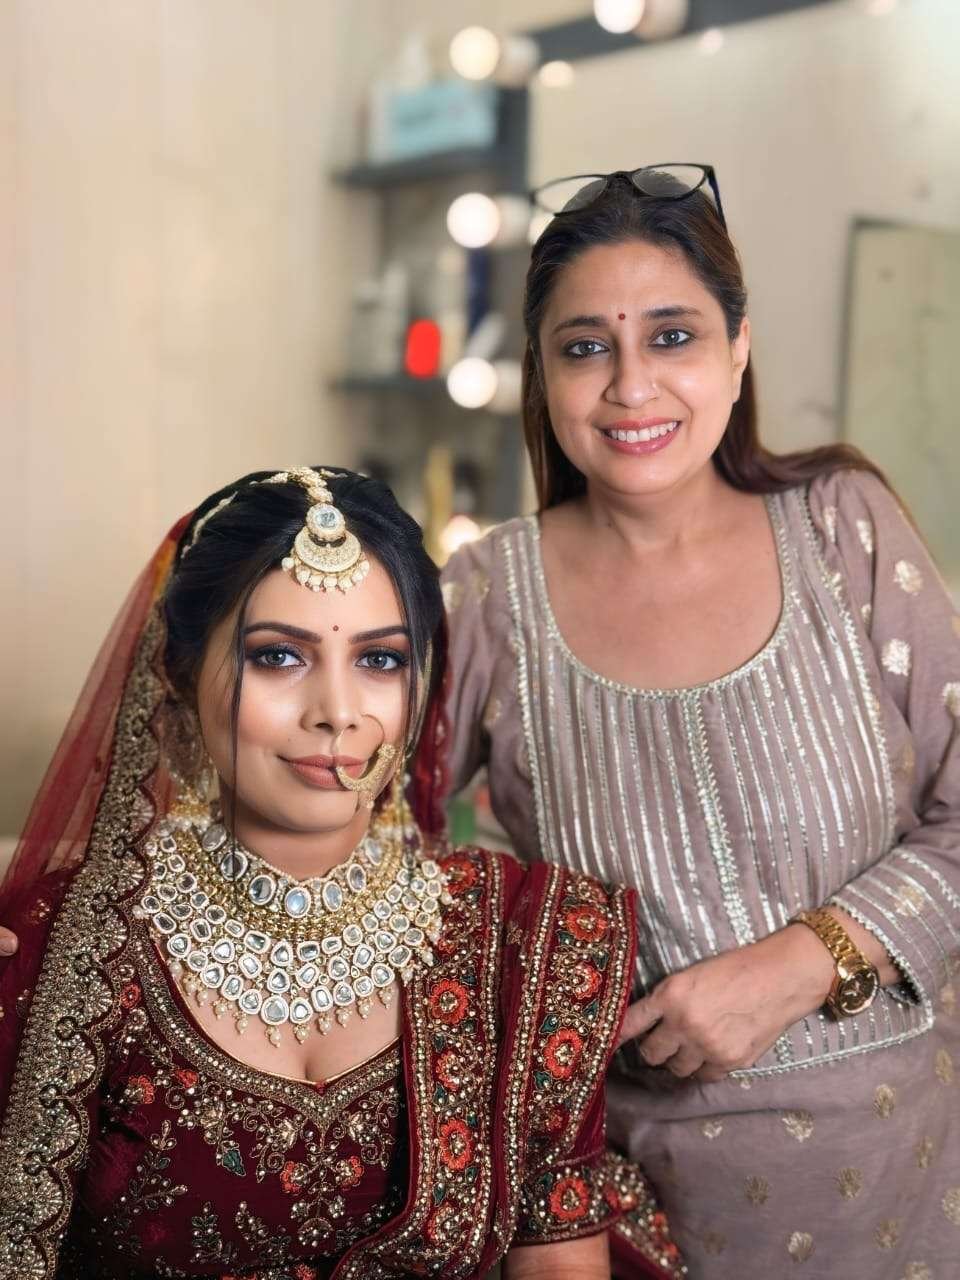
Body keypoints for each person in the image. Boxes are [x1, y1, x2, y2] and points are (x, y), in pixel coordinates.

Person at [438, 169, 960, 1277]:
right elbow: (365, 845)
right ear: (541, 374)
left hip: (916, 1183)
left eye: (671, 335)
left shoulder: (843, 526)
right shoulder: (487, 595)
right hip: (630, 1212)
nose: (631, 385)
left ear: (737, 349)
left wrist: (808, 958)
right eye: (585, 347)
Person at [0, 467, 683, 1280]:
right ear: (179, 677)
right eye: (279, 656)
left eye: (381, 660)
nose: (338, 711)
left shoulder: (521, 939)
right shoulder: (61, 949)